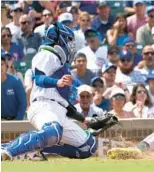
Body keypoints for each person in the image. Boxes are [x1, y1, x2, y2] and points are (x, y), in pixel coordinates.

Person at [1, 22, 100, 160]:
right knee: (53, 130)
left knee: (88, 146)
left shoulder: (61, 64)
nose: (71, 45)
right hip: (43, 106)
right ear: (59, 39)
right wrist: (57, 82)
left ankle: (41, 150)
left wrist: (85, 120)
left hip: (59, 111)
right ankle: (7, 150)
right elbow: (40, 78)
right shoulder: (46, 54)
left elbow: (65, 105)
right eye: (69, 39)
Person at [1, 52, 27, 120]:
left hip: (14, 119)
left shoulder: (16, 81)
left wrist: (17, 122)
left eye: (1, 64)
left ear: (6, 66)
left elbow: (23, 103)